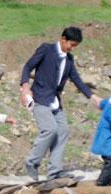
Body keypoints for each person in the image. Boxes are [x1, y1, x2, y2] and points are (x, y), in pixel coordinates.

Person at [19, 26, 102, 181]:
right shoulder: (46, 49)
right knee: (50, 129)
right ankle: (32, 163)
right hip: (39, 99)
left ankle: (54, 172)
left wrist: (93, 97)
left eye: (75, 46)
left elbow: (77, 80)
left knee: (63, 130)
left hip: (55, 102)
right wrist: (25, 87)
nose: (72, 48)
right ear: (63, 39)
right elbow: (27, 67)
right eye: (71, 44)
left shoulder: (69, 59)